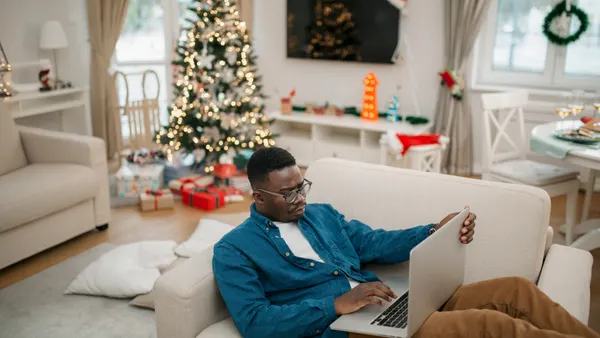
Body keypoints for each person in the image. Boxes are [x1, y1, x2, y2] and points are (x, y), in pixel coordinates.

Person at [213, 147, 599, 338]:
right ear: (258, 196)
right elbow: (254, 323)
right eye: (288, 194)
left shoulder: (321, 214)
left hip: (389, 304)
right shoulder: (233, 250)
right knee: (490, 324)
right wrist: (336, 304)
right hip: (350, 330)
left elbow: (373, 241)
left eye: (302, 187)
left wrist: (433, 231)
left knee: (516, 290)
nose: (300, 199)